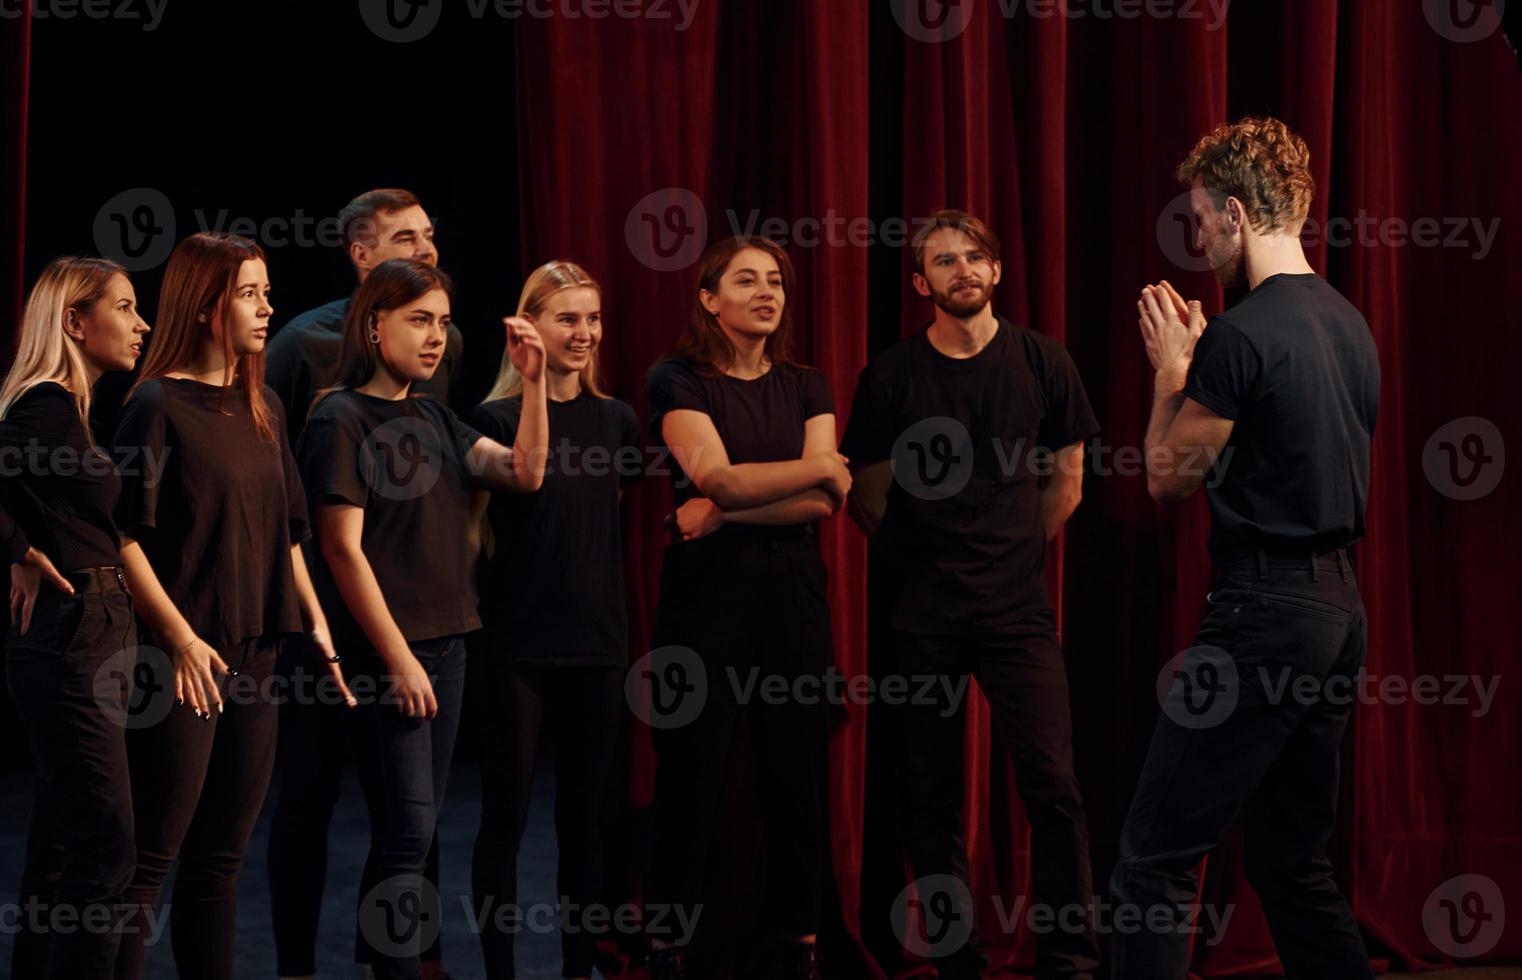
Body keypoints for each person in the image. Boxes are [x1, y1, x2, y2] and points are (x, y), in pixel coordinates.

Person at [1109, 116, 1379, 979]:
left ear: (1232, 212)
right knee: (1292, 863)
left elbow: (1165, 478)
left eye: (1199, 222)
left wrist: (1169, 373)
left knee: (1153, 857)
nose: (1200, 241)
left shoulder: (1240, 333)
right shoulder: (1349, 324)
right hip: (1340, 611)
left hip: (1265, 613)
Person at [841, 210, 1101, 979]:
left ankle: (1071, 961)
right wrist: (923, 560)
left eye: (975, 257)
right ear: (922, 283)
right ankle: (957, 960)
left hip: (1018, 613)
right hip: (924, 614)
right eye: (945, 261)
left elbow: (1070, 479)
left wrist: (1013, 555)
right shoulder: (893, 375)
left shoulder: (1043, 361)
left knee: (1054, 787)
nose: (964, 270)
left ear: (995, 271)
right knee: (931, 796)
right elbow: (866, 491)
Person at [297, 258, 549, 980]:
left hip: (450, 644)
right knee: (407, 831)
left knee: (416, 829)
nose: (436, 336)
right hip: (392, 652)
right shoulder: (338, 416)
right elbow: (342, 551)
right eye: (418, 320)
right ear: (374, 325)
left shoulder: (433, 413)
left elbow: (525, 471)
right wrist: (398, 658)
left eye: (442, 322)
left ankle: (387, 964)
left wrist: (532, 381)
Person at [111, 232, 350, 980]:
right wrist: (179, 640)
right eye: (251, 293)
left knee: (222, 858)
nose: (267, 306)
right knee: (154, 855)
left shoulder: (265, 404)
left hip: (257, 652)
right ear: (209, 306)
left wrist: (318, 628)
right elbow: (124, 541)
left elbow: (288, 536)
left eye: (266, 290)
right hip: (186, 657)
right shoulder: (154, 404)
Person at [264, 186, 462, 980]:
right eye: (405, 237)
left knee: (413, 808)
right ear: (359, 251)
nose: (425, 248)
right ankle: (295, 964)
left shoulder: (436, 339)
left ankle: (416, 958)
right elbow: (276, 482)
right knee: (307, 801)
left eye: (429, 234)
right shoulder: (301, 345)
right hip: (321, 621)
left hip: (407, 610)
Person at [643, 236, 848, 980]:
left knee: (798, 776)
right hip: (706, 605)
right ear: (709, 298)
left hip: (792, 599)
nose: (767, 292)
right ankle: (670, 943)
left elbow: (826, 501)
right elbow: (719, 476)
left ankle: (798, 943)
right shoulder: (676, 378)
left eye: (777, 282)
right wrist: (805, 473)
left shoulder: (807, 385)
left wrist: (722, 512)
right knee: (691, 776)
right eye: (746, 280)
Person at [469, 260, 641, 980]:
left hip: (598, 644)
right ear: (529, 326)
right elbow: (527, 484)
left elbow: (603, 526)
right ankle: (501, 970)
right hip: (520, 645)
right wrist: (533, 383)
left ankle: (579, 968)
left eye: (592, 318)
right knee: (505, 819)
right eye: (567, 318)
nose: (584, 333)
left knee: (586, 823)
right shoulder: (494, 419)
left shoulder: (618, 419)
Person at [2, 257, 149, 979]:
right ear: (74, 321)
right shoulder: (44, 406)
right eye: (124, 307)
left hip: (93, 627)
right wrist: (17, 549)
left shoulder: (68, 410)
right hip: (73, 635)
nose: (141, 322)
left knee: (64, 840)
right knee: (107, 844)